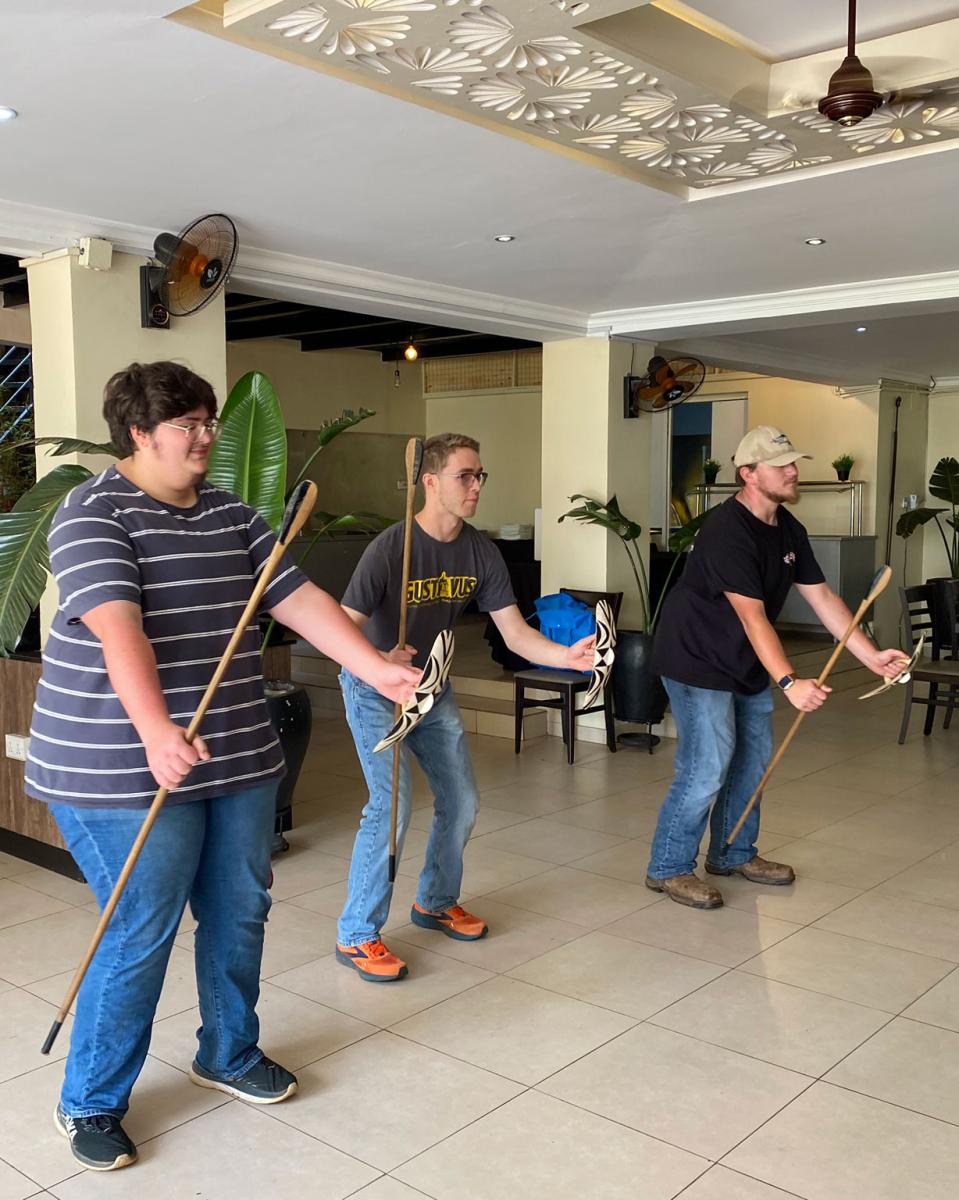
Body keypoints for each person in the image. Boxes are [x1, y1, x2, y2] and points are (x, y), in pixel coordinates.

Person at [25, 361, 420, 1172]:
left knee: (240, 908)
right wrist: (156, 730)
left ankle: (228, 1052)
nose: (207, 437)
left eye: (210, 421)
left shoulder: (231, 513)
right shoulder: (92, 513)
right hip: (120, 766)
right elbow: (118, 630)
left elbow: (297, 599)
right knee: (139, 930)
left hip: (236, 753)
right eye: (190, 425)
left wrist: (372, 666)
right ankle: (90, 1099)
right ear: (139, 433)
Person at [335, 432, 595, 981]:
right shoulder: (391, 546)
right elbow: (340, 628)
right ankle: (357, 932)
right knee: (392, 808)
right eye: (465, 476)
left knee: (464, 799)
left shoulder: (480, 550)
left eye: (480, 476)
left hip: (433, 686)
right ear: (429, 482)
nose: (476, 486)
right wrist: (381, 658)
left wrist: (567, 658)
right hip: (373, 686)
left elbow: (517, 634)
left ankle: (434, 901)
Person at [646, 425, 907, 909]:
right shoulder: (726, 529)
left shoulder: (788, 527)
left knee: (752, 762)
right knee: (706, 768)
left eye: (793, 462)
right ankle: (669, 866)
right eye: (781, 465)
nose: (793, 471)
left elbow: (822, 596)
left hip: (744, 658)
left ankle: (733, 853)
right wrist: (788, 680)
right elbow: (752, 614)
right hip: (696, 657)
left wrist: (871, 656)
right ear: (748, 475)